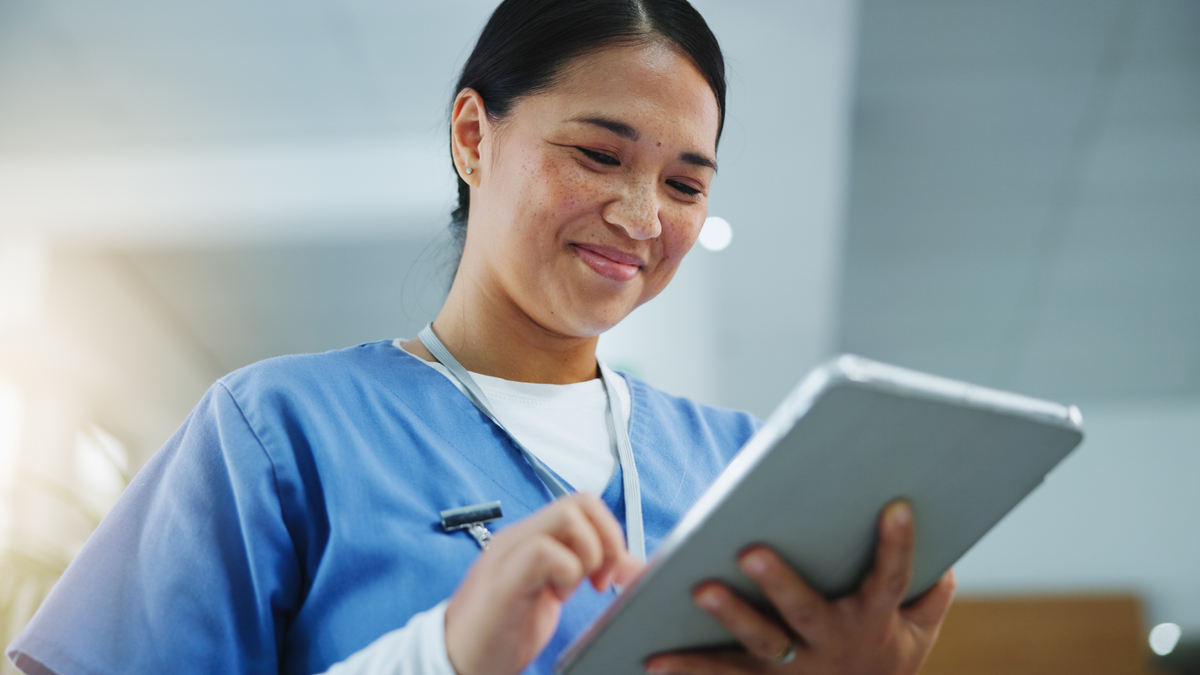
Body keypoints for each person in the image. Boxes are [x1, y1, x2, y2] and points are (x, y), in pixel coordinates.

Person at [6, 1, 955, 674]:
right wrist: (442, 657)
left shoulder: (746, 467)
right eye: (598, 153)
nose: (639, 215)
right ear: (473, 135)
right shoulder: (280, 432)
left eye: (685, 184)